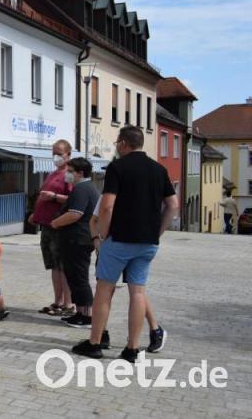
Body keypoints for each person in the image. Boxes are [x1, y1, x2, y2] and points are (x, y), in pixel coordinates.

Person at [73, 126, 178, 362]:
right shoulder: (159, 170)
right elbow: (173, 205)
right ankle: (132, 349)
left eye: (117, 143)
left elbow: (108, 205)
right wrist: (157, 232)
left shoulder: (118, 168)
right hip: (147, 243)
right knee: (138, 292)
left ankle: (95, 343)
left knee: (104, 290)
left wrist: (103, 234)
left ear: (123, 144)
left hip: (119, 240)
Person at [90, 194, 166, 353]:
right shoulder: (126, 193)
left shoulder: (112, 193)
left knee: (109, 290)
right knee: (135, 290)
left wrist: (101, 239)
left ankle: (154, 328)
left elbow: (97, 217)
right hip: (134, 244)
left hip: (116, 245)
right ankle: (106, 333)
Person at [51, 158, 100, 328]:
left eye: (70, 170)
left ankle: (86, 316)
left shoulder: (82, 189)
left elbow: (75, 213)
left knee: (79, 278)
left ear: (80, 173)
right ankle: (80, 312)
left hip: (78, 240)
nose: (67, 173)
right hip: (78, 240)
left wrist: (55, 222)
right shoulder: (87, 188)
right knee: (74, 277)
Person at [30, 139, 75, 317]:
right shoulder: (53, 173)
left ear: (68, 155)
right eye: (53, 152)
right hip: (47, 226)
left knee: (63, 266)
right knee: (54, 266)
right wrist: (36, 213)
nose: (55, 156)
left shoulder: (70, 173)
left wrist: (54, 196)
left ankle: (68, 303)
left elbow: (74, 199)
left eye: (59, 153)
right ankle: (57, 301)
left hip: (60, 226)